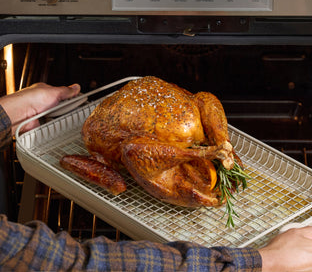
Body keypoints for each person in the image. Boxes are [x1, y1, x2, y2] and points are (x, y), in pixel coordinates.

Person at [1, 83, 312, 272]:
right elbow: (71, 264)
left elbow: (203, 97)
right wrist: (259, 263)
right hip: (128, 143)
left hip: (180, 125)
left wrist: (7, 109)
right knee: (124, 174)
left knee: (198, 103)